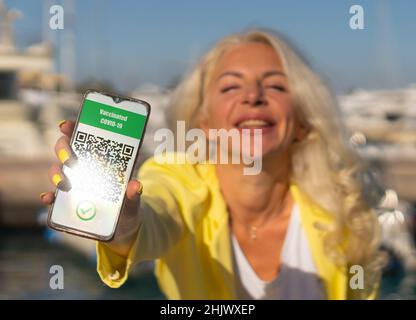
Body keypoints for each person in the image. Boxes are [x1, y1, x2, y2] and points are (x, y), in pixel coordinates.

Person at [41, 28, 385, 299]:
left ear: (303, 120)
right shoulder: (177, 179)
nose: (253, 96)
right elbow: (158, 215)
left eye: (277, 86)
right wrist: (125, 223)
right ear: (204, 122)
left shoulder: (343, 208)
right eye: (230, 87)